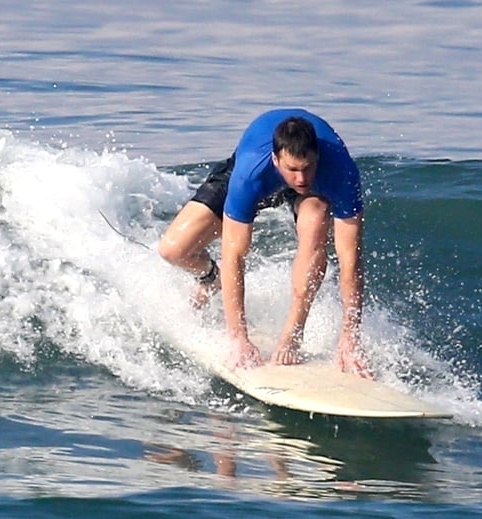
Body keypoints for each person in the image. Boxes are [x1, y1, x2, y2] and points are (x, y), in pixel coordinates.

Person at [159, 108, 371, 377]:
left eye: (307, 168)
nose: (301, 179)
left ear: (317, 157)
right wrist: (238, 339)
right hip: (255, 174)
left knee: (316, 224)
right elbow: (234, 254)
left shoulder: (341, 172)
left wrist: (351, 336)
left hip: (316, 191)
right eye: (293, 170)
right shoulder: (251, 173)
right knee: (173, 249)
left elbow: (350, 258)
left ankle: (293, 334)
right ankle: (211, 279)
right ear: (275, 159)